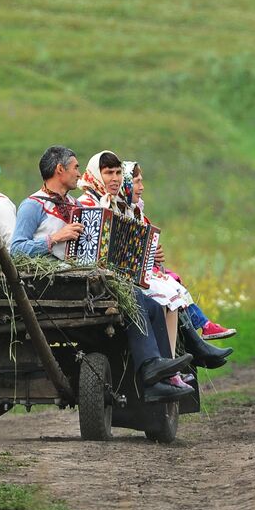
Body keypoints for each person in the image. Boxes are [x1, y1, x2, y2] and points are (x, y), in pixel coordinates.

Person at [11, 145, 194, 402]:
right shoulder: (33, 205)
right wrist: (53, 238)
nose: (79, 173)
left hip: (83, 278)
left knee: (152, 306)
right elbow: (15, 250)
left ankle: (164, 374)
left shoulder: (74, 204)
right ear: (59, 170)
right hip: (53, 282)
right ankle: (151, 370)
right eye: (75, 167)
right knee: (134, 298)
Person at [121, 161, 237, 346]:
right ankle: (198, 341)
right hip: (132, 277)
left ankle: (201, 333)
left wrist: (152, 254)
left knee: (172, 284)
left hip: (144, 273)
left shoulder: (135, 212)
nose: (141, 187)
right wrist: (148, 257)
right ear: (124, 183)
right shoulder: (118, 211)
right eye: (136, 181)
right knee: (170, 289)